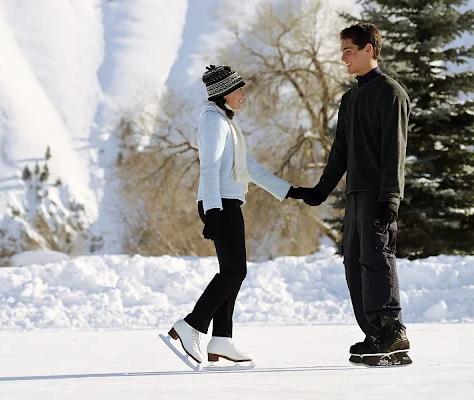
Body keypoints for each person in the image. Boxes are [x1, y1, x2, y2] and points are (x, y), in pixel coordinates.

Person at [287, 23, 412, 366]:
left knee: (376, 258)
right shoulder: (350, 98)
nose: (343, 57)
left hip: (378, 193)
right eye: (342, 50)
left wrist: (391, 198)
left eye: (348, 51)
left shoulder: (391, 93)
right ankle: (374, 334)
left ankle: (393, 331)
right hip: (355, 193)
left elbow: (394, 151)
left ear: (369, 49)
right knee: (354, 263)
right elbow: (339, 152)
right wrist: (320, 191)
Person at [168, 65, 293, 365]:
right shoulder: (213, 122)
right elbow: (208, 167)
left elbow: (251, 168)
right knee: (234, 272)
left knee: (233, 271)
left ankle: (222, 339)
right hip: (220, 204)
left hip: (228, 202)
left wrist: (291, 191)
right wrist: (212, 210)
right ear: (224, 93)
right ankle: (192, 325)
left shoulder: (227, 124)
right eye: (239, 90)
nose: (244, 95)